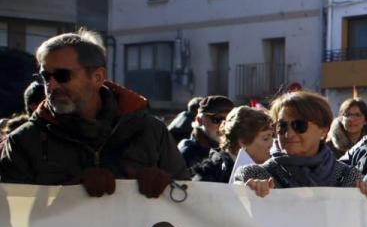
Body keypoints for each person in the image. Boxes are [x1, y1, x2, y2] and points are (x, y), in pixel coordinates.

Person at [0, 30, 187, 196]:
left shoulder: (150, 130)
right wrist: (70, 191)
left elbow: (189, 199)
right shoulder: (23, 141)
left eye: (62, 76)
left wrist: (166, 184)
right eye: (45, 77)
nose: (51, 86)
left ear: (97, 77)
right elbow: (13, 217)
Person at [233, 91, 367, 199]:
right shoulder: (254, 176)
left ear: (324, 130)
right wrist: (247, 194)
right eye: (282, 126)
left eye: (299, 125)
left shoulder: (350, 179)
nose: (288, 134)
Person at [191, 106, 273, 183]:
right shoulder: (210, 176)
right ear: (243, 141)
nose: (271, 143)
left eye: (272, 136)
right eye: (265, 138)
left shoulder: (272, 171)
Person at [178, 95, 234, 170]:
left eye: (229, 120)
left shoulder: (233, 149)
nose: (223, 125)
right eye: (217, 120)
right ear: (199, 120)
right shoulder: (188, 152)